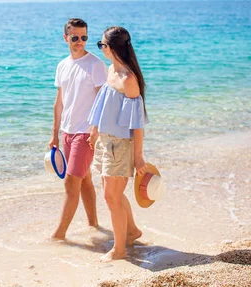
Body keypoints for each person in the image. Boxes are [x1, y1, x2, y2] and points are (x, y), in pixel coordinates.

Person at [87, 26, 149, 261]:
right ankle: (131, 231)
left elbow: (137, 123)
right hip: (105, 141)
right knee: (111, 193)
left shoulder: (128, 79)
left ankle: (119, 250)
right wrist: (94, 130)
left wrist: (139, 156)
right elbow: (104, 104)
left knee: (111, 197)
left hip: (120, 146)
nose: (101, 48)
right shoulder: (112, 70)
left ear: (111, 48)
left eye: (101, 45)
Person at [49, 18, 108, 240]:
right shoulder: (62, 65)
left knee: (71, 180)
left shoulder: (95, 65)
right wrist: (54, 134)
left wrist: (95, 129)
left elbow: (104, 100)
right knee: (84, 179)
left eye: (84, 37)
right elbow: (59, 103)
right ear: (66, 38)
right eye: (75, 38)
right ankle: (94, 225)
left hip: (86, 132)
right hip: (67, 131)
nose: (80, 42)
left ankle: (59, 235)